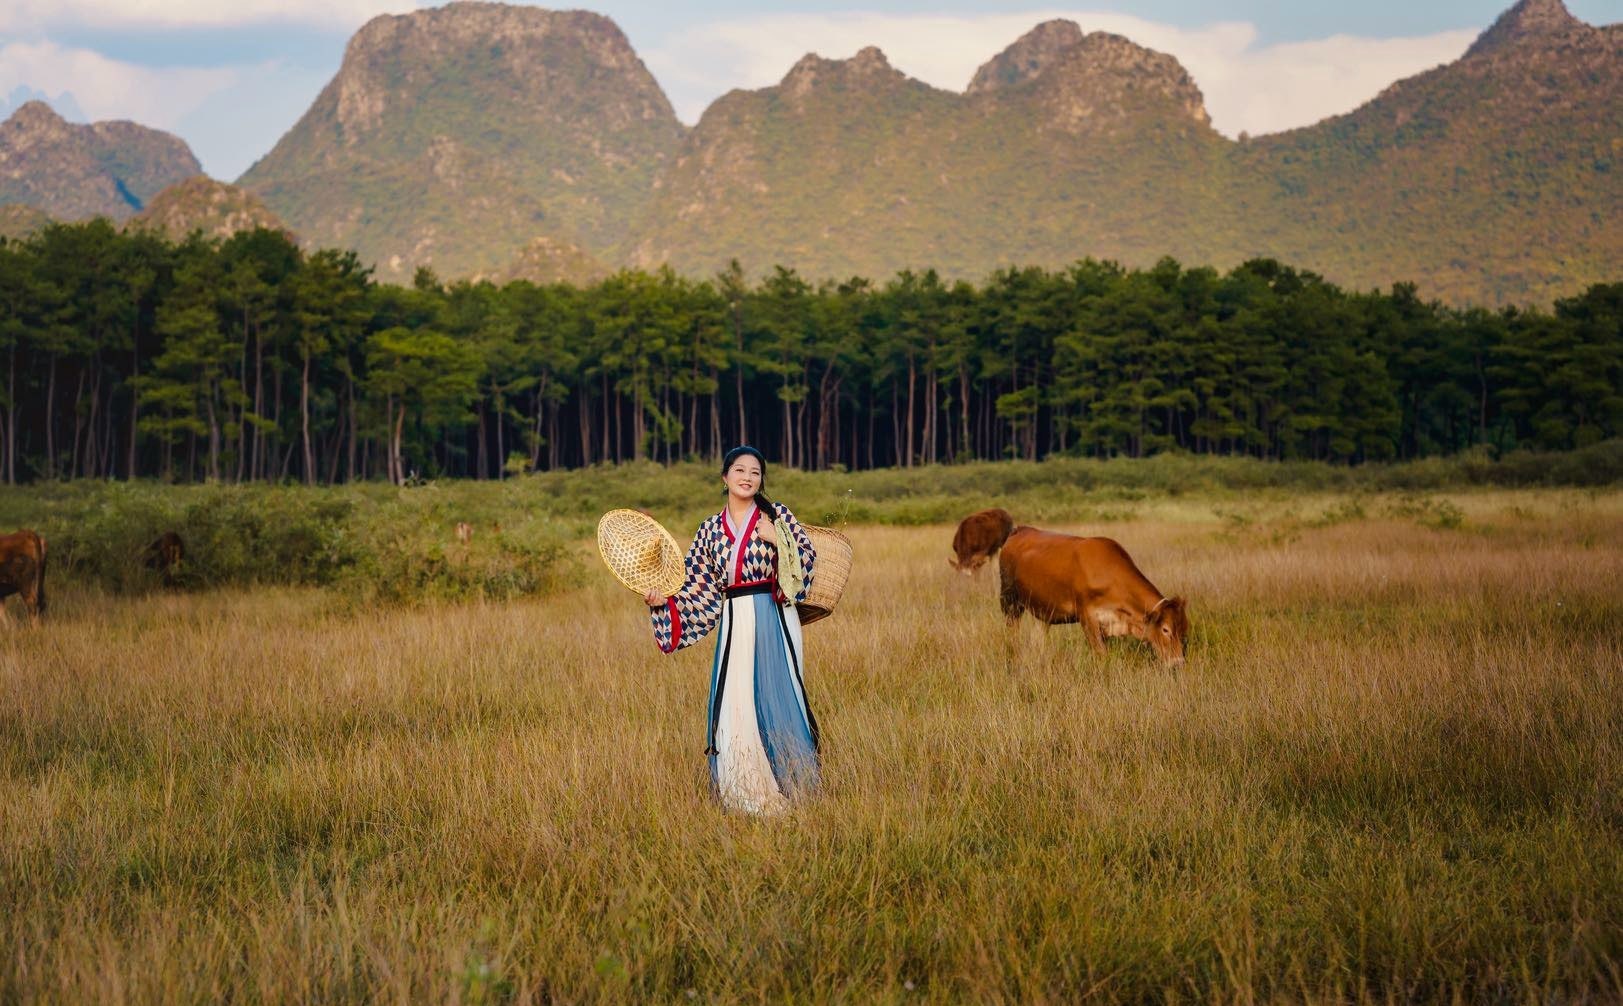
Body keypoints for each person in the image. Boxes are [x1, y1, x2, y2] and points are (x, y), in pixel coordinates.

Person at [643, 446, 819, 814]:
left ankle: (795, 783)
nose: (747, 477)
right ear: (725, 477)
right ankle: (743, 790)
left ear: (761, 480)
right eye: (739, 470)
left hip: (774, 616)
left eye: (755, 472)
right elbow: (695, 584)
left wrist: (778, 538)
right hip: (735, 618)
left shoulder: (776, 515)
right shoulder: (709, 529)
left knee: (778, 693)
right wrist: (663, 602)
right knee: (735, 700)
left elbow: (807, 560)